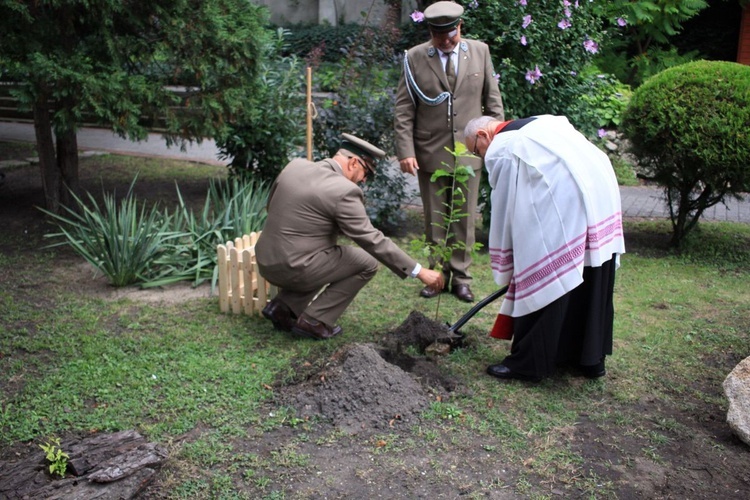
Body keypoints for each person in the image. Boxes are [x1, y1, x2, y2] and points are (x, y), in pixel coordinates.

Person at [464, 115, 626, 382]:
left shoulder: (503, 147)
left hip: (566, 205)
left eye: (475, 150)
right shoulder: (545, 122)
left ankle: (528, 364)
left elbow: (504, 209)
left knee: (544, 273)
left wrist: (509, 254)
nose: (480, 156)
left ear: (483, 135)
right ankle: (589, 360)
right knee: (592, 273)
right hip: (599, 194)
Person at [255, 133, 445, 340]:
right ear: (354, 162)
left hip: (265, 260)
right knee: (366, 263)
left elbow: (270, 205)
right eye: (366, 172)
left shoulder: (295, 166)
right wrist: (419, 271)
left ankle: (282, 308)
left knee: (324, 258)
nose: (364, 180)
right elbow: (371, 239)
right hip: (294, 267)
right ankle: (314, 320)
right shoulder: (344, 190)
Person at [394, 0, 505, 303]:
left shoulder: (480, 51)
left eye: (450, 35)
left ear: (460, 27)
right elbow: (404, 108)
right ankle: (437, 275)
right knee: (435, 219)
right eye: (437, 35)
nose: (444, 41)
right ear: (430, 31)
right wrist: (405, 150)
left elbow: (493, 103)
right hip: (430, 151)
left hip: (470, 151)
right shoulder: (415, 57)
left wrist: (496, 143)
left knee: (464, 219)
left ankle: (463, 279)